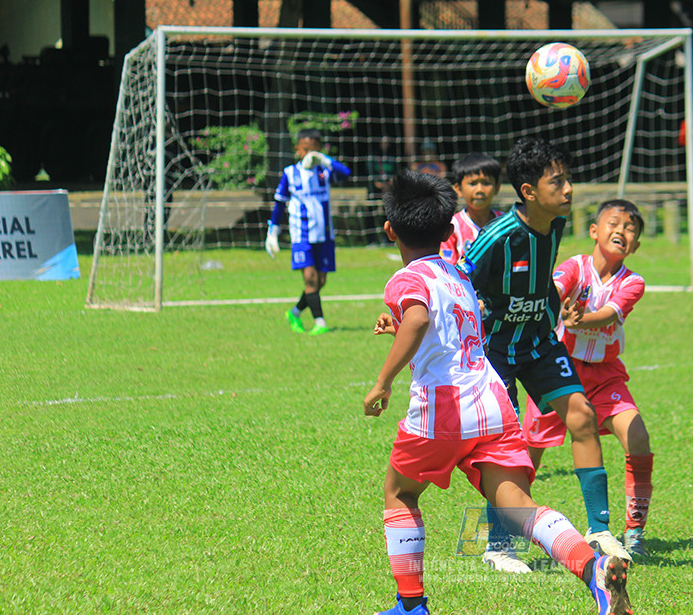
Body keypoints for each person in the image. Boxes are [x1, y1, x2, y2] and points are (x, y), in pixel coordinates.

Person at [365, 170, 632, 615]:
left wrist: (382, 382)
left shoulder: (405, 278)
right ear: (448, 232)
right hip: (493, 404)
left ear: (390, 230)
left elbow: (419, 319)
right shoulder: (457, 274)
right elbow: (444, 325)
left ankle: (410, 606)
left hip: (443, 408)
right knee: (518, 506)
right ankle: (593, 568)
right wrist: (402, 327)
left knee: (401, 493)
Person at [458, 137, 632, 572]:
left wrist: (554, 307)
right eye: (557, 182)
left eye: (568, 179)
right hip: (495, 350)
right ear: (529, 191)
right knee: (508, 446)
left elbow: (540, 281)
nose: (568, 188)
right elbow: (456, 279)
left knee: (582, 416)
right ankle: (498, 546)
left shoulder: (554, 224)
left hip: (539, 342)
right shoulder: (497, 236)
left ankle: (599, 531)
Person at [523, 199, 654, 559]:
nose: (621, 231)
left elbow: (610, 314)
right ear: (594, 231)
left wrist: (580, 319)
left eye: (630, 228)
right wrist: (556, 307)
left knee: (637, 437)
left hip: (604, 376)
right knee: (528, 453)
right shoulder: (574, 267)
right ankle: (503, 532)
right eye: (614, 223)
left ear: (636, 245)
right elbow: (553, 290)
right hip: (558, 370)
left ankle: (633, 532)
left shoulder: (633, 282)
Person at [265, 128, 351, 335]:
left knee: (321, 281)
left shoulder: (324, 171)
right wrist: (272, 232)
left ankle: (294, 312)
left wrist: (324, 159)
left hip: (325, 235)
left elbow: (346, 173)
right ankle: (320, 322)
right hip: (301, 235)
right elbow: (279, 204)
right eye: (305, 150)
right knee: (311, 279)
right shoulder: (290, 173)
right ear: (297, 149)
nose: (309, 154)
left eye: (314, 150)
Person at [439, 152, 503, 265]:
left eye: (486, 183)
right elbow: (448, 267)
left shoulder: (505, 223)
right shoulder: (453, 226)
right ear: (459, 189)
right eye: (473, 184)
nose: (480, 190)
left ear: (497, 187)